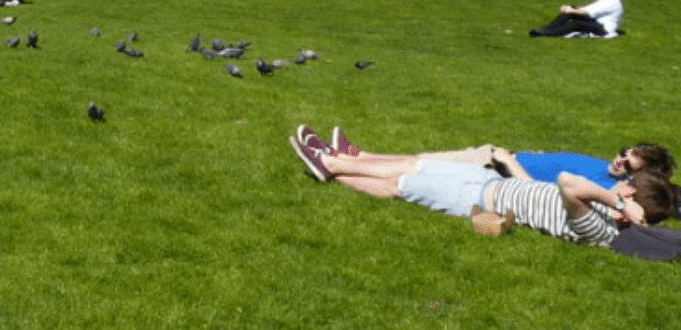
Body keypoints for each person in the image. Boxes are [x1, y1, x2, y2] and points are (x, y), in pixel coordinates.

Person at [289, 125, 674, 249]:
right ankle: (338, 162)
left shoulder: (599, 230)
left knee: (400, 184)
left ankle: (331, 165)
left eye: (631, 186)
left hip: (475, 195)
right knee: (415, 164)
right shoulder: (607, 210)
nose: (624, 182)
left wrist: (617, 203)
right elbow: (547, 190)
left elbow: (568, 184)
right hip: (493, 181)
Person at [417, 141, 674, 190]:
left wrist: (507, 161)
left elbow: (537, 193)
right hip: (502, 156)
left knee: (415, 165)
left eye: (628, 166)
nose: (619, 162)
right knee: (418, 159)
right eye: (623, 154)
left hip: (495, 169)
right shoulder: (607, 168)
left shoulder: (604, 187)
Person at [529, 0, 622, 38]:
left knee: (577, 23)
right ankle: (548, 29)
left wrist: (571, 10)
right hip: (597, 21)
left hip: (604, 29)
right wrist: (571, 8)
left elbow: (589, 12)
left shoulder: (611, 0)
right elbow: (589, 7)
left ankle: (548, 32)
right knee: (572, 10)